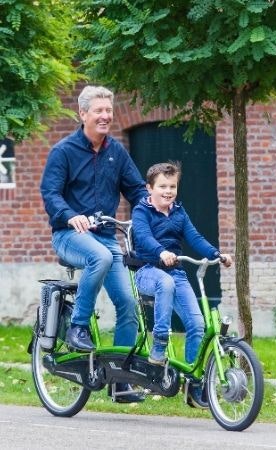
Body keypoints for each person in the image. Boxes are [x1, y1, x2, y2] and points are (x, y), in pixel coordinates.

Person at [40, 85, 148, 402]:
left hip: (105, 237)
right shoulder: (64, 151)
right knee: (99, 257)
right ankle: (78, 327)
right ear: (83, 114)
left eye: (108, 110)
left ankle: (121, 380)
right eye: (98, 111)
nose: (105, 116)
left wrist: (152, 210)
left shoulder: (116, 152)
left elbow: (137, 189)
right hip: (69, 236)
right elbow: (51, 194)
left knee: (129, 304)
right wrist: (70, 216)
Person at [132, 161, 233, 369]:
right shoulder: (141, 211)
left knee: (197, 325)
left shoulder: (179, 211)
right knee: (165, 283)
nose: (168, 192)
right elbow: (143, 237)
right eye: (162, 186)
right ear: (149, 188)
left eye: (172, 187)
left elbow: (194, 238)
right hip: (148, 270)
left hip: (175, 272)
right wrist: (161, 252)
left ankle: (192, 380)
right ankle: (159, 344)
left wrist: (217, 254)